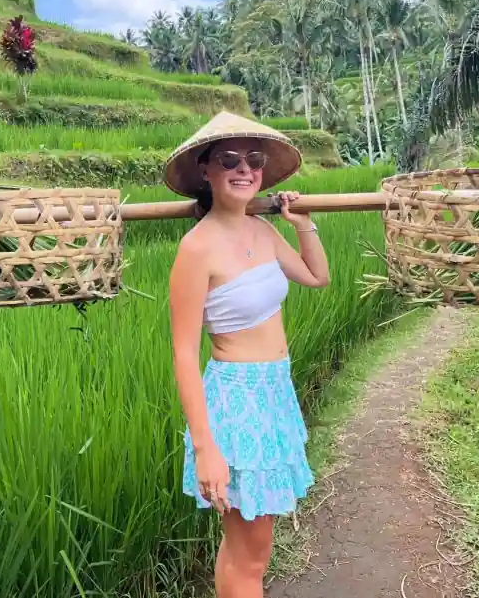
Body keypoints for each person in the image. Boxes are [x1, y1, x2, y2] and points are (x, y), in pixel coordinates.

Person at [163, 112, 330, 597]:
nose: (244, 169)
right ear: (205, 170)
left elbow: (317, 277)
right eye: (229, 159)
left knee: (245, 548)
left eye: (253, 160)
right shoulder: (196, 249)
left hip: (275, 391)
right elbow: (183, 354)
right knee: (251, 552)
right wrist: (206, 449)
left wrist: (303, 224)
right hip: (238, 404)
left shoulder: (262, 230)